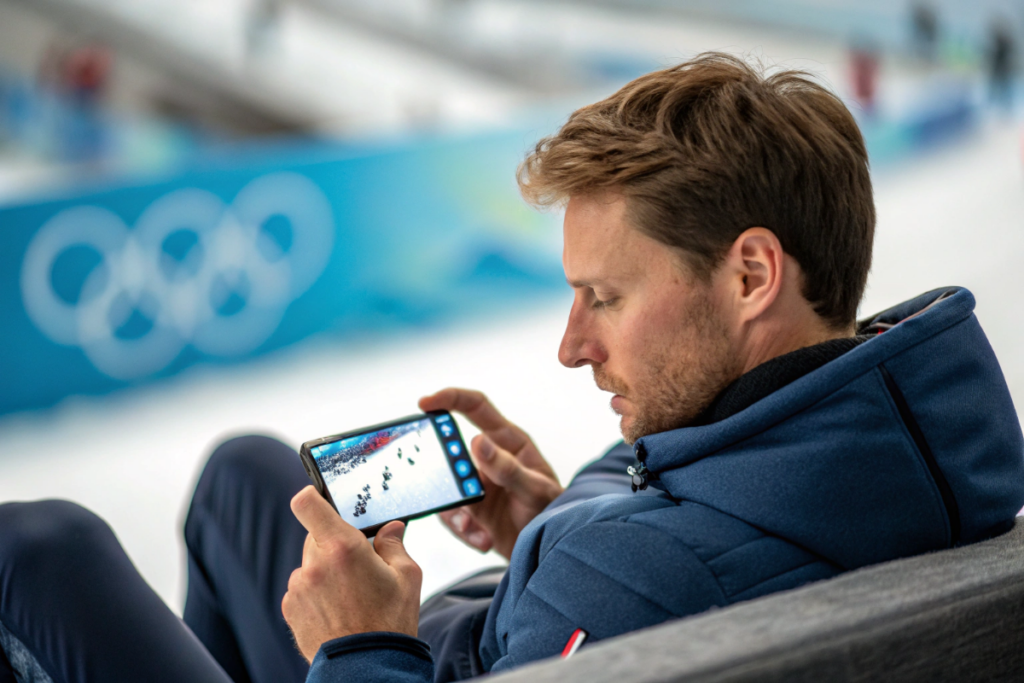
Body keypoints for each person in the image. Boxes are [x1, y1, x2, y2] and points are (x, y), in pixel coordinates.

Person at [1, 52, 1023, 683]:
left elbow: (652, 579)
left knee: (39, 553)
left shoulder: (641, 576)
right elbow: (673, 566)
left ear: (751, 271)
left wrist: (359, 646)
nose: (572, 345)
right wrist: (549, 523)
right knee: (244, 478)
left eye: (606, 296)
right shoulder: (900, 440)